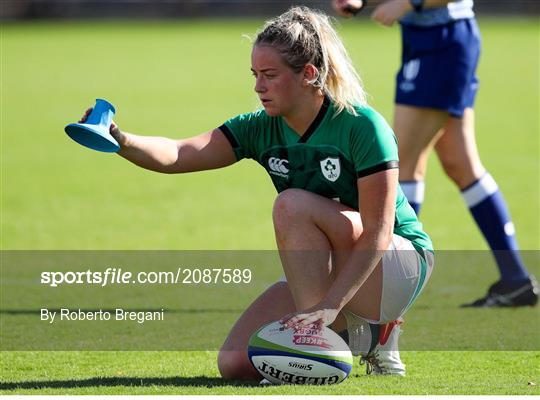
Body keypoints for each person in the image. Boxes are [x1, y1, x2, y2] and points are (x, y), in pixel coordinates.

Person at [79, 6, 434, 378]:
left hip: (398, 264)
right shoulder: (258, 128)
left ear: (309, 75)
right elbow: (179, 154)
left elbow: (378, 231)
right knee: (235, 363)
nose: (258, 87)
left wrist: (329, 305)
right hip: (339, 268)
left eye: (269, 75)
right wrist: (120, 140)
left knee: (292, 205)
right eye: (255, 75)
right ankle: (363, 336)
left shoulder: (362, 127)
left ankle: (338, 333)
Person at [332, 0, 538, 307]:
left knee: (401, 166)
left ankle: (390, 285)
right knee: (461, 165)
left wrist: (406, 4)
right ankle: (515, 279)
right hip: (435, 41)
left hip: (443, 43)